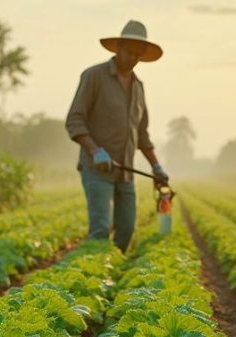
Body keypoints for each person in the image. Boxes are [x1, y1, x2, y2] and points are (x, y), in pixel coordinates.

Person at [66, 19, 169, 252]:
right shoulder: (94, 76)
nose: (132, 58)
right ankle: (92, 278)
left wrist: (156, 167)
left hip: (125, 172)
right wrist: (94, 150)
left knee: (126, 230)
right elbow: (74, 119)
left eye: (137, 55)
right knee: (101, 229)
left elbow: (141, 134)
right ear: (118, 48)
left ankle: (108, 273)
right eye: (129, 52)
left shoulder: (138, 87)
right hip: (97, 169)